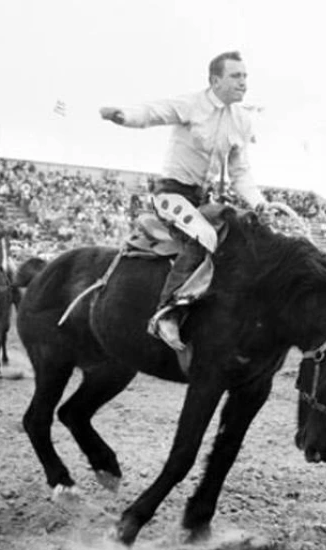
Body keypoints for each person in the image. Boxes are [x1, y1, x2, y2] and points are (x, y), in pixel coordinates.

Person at [99, 50, 286, 351]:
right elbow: (153, 112)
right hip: (171, 194)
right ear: (215, 80)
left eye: (245, 76)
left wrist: (259, 203)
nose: (243, 82)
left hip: (203, 200)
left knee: (245, 236)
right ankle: (167, 314)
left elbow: (241, 172)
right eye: (236, 76)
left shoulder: (242, 120)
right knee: (205, 233)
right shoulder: (191, 105)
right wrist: (123, 116)